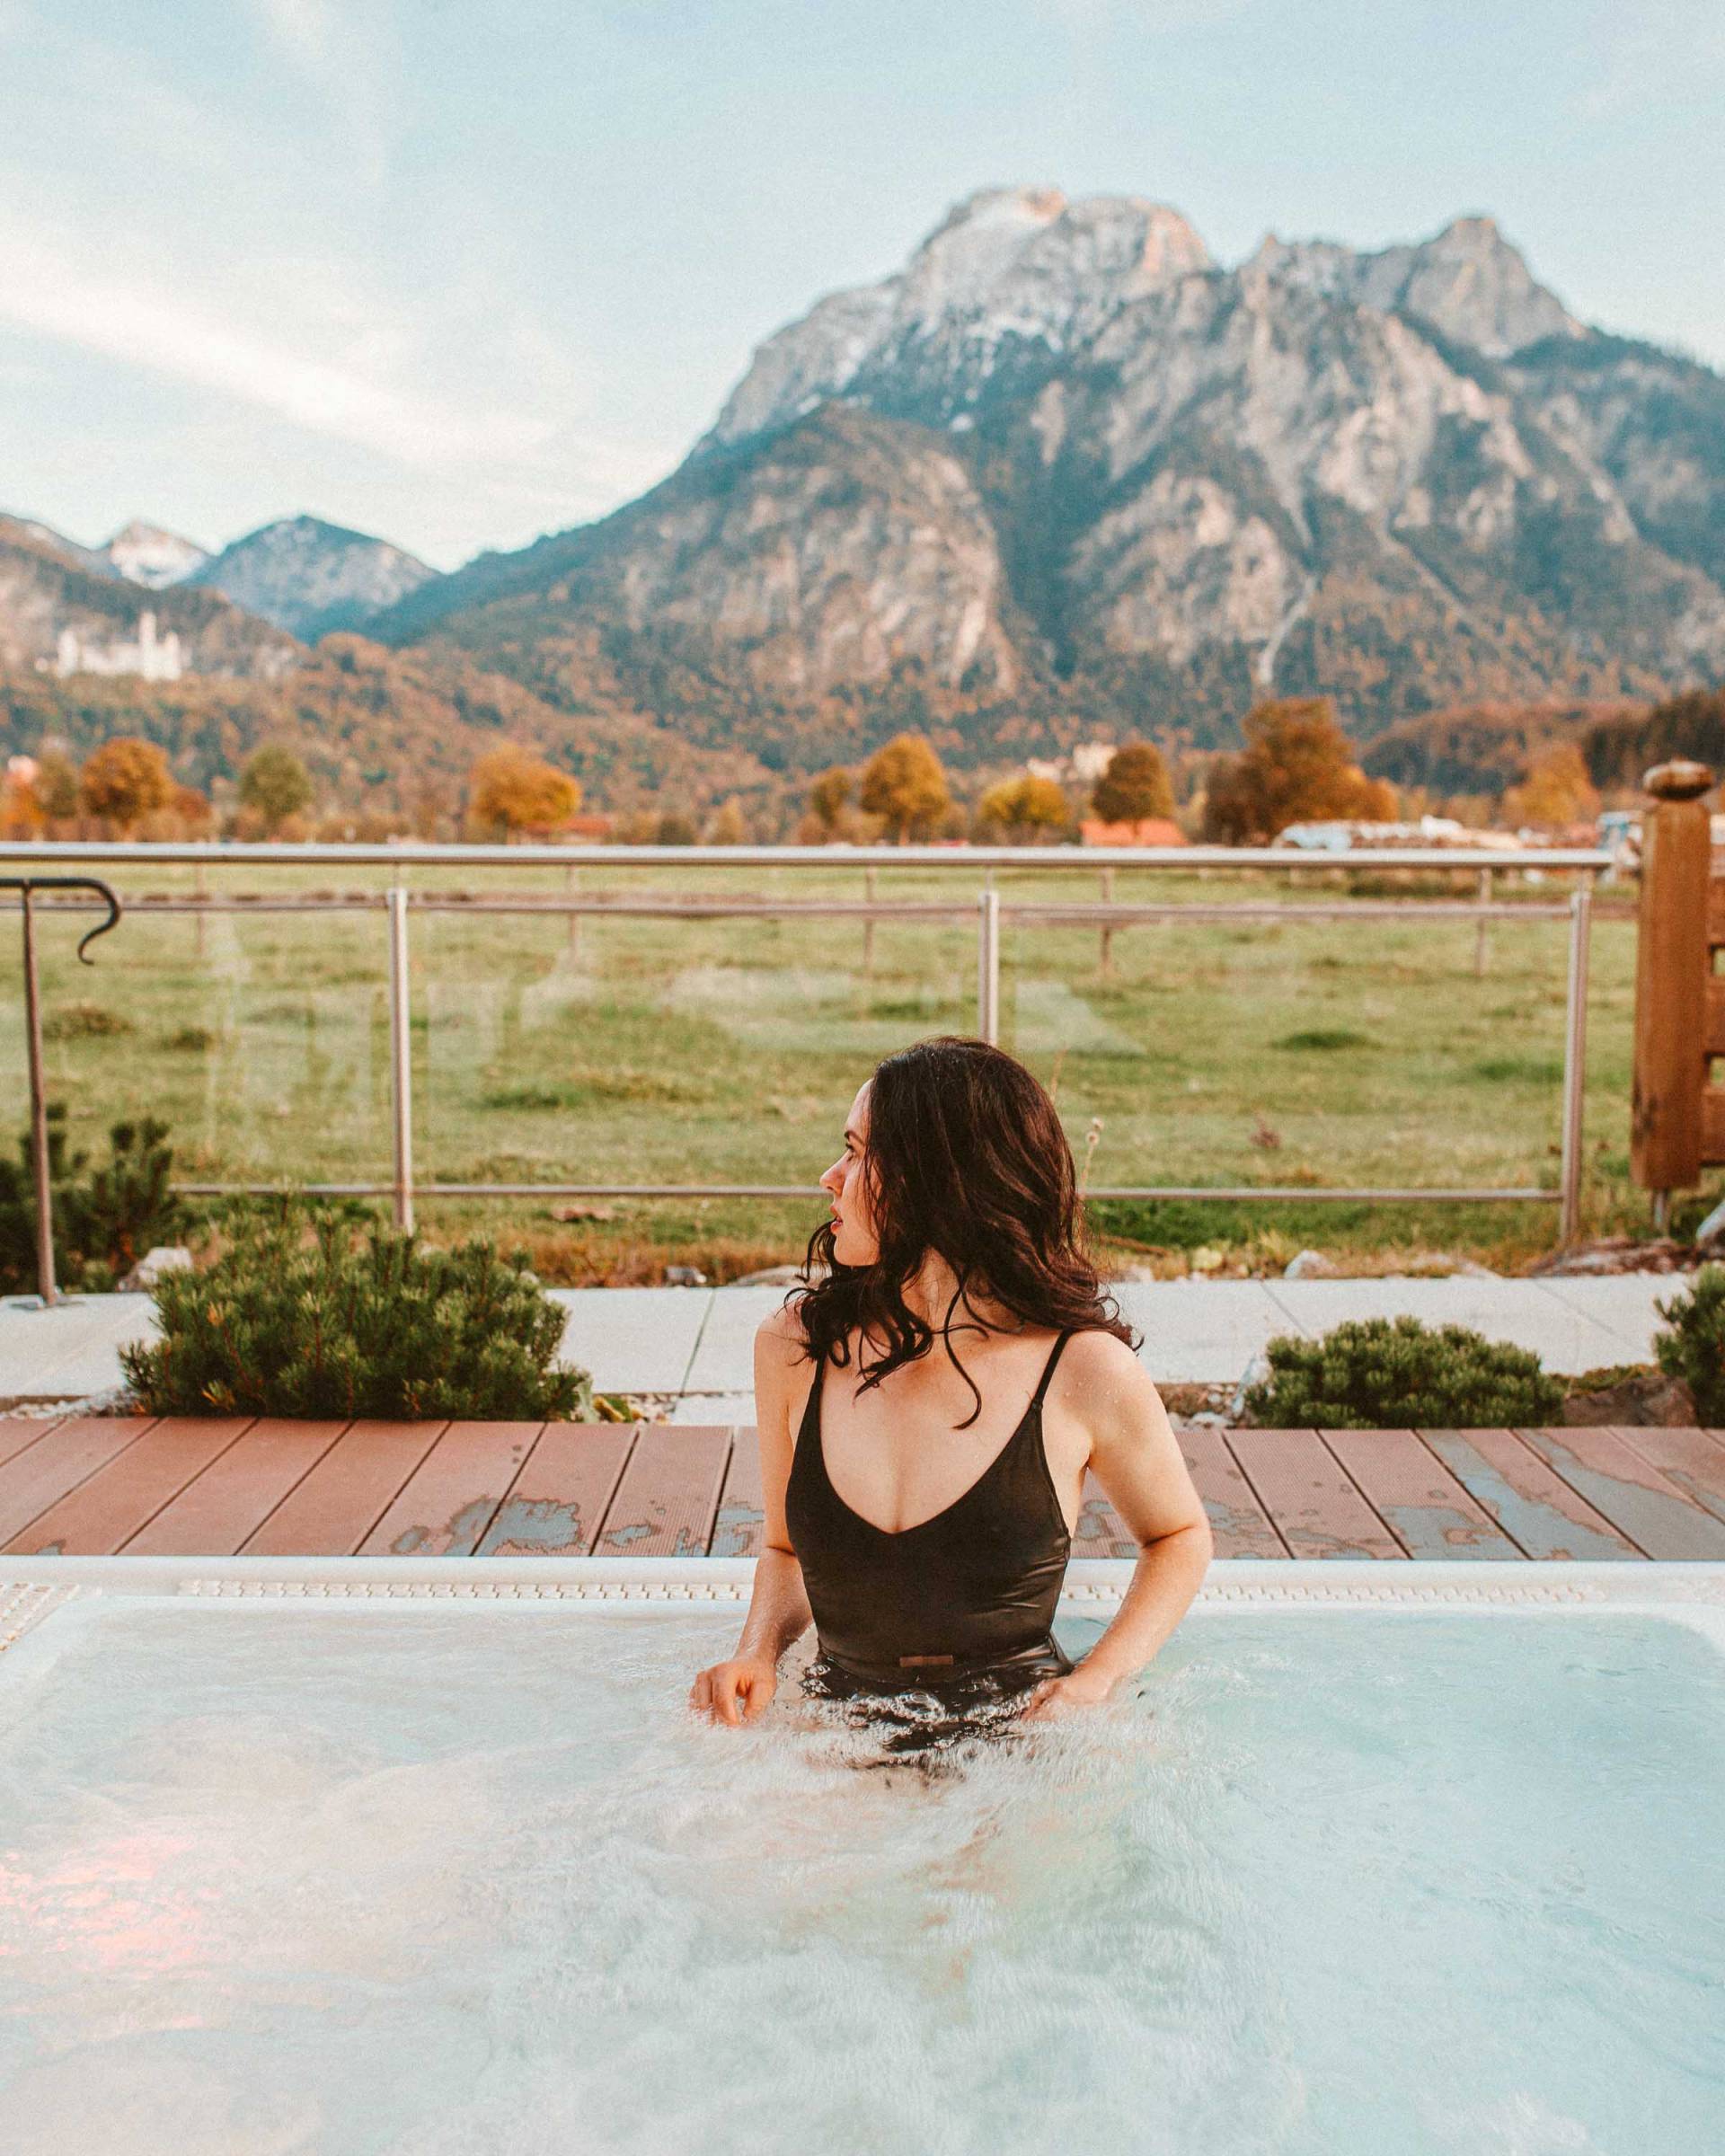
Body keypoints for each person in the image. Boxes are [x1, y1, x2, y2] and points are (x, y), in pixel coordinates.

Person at [687, 1035, 1212, 1768]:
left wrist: (1097, 1681)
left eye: (856, 1153)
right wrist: (757, 1653)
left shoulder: (1082, 1368)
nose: (829, 1176)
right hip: (841, 1734)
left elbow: (1179, 1536)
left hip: (1022, 1747)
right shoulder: (795, 1348)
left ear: (935, 1181)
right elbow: (784, 1549)